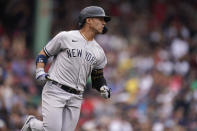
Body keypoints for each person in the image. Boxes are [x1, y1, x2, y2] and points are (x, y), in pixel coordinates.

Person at [21, 6, 111, 131]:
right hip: (56, 90)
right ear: (88, 20)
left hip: (76, 97)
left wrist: (103, 87)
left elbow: (97, 76)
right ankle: (32, 124)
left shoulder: (99, 51)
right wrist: (40, 70)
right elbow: (44, 54)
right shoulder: (66, 37)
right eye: (100, 19)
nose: (104, 22)